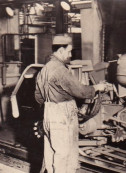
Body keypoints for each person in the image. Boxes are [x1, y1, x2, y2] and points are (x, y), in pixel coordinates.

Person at [35, 34, 105, 173]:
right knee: (64, 155)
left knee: (50, 153)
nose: (70, 54)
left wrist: (50, 107)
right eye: (68, 51)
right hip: (62, 116)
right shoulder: (60, 70)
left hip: (48, 113)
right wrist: (97, 88)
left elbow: (38, 97)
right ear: (60, 50)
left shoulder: (44, 70)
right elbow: (81, 91)